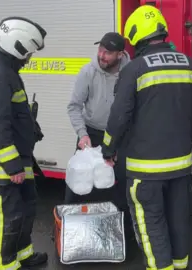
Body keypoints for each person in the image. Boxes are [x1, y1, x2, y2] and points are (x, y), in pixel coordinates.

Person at [101, 5, 192, 270]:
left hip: (145, 168)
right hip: (181, 164)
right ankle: (179, 264)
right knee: (178, 218)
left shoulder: (135, 69)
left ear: (137, 36)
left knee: (151, 223)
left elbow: (118, 117)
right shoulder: (189, 64)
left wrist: (108, 148)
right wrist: (187, 135)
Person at [0, 16, 48, 270]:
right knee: (7, 218)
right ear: (17, 46)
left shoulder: (5, 70)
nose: (28, 59)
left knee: (26, 207)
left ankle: (23, 255)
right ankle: (4, 265)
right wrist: (13, 166)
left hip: (18, 158)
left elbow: (12, 114)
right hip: (1, 166)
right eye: (28, 53)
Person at [66, 32, 132, 226]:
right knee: (78, 185)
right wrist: (82, 134)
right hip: (91, 133)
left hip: (120, 136)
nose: (101, 55)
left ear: (120, 54)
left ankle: (121, 233)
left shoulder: (131, 74)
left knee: (120, 186)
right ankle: (69, 228)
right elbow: (74, 106)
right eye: (100, 49)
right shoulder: (88, 72)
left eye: (108, 52)